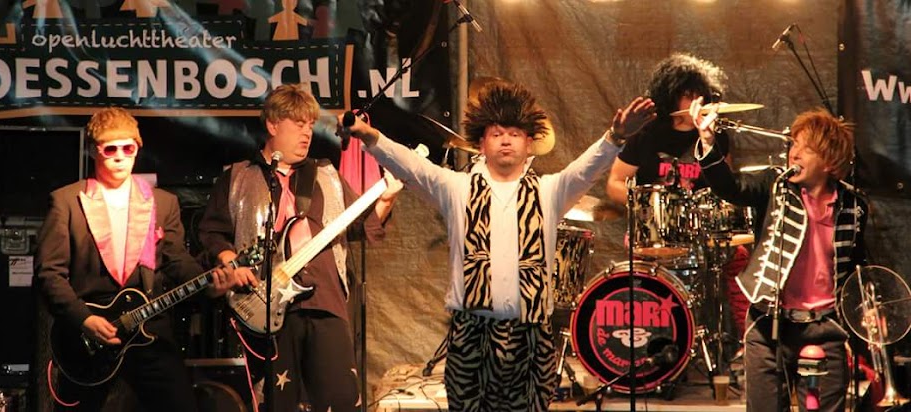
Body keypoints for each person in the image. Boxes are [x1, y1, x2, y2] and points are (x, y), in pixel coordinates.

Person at [339, 80, 655, 410]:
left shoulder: (549, 191)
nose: (506, 140)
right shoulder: (456, 188)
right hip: (471, 335)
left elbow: (585, 170)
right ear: (481, 143)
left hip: (530, 336)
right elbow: (411, 165)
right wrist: (368, 134)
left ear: (529, 144)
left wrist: (616, 137)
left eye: (515, 134)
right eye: (497, 133)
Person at [198, 83, 401, 412]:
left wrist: (387, 199)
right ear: (273, 125)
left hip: (325, 301)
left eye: (310, 124)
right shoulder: (237, 178)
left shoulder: (327, 175)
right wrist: (230, 260)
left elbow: (361, 226)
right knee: (276, 401)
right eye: (298, 124)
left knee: (341, 400)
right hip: (265, 305)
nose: (307, 133)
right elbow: (211, 233)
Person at [36, 107, 242, 411]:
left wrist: (210, 285)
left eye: (128, 148)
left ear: (137, 149)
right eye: (110, 149)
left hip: (149, 327)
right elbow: (49, 273)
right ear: (93, 150)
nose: (120, 156)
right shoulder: (67, 201)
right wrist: (84, 319)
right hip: (89, 329)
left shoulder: (162, 202)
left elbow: (177, 261)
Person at [691, 104, 866, 412]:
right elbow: (730, 187)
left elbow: (856, 268)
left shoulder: (853, 204)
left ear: (829, 161)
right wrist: (707, 142)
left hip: (827, 327)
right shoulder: (774, 186)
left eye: (804, 148)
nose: (793, 154)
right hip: (768, 324)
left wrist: (864, 320)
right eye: (793, 144)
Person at [605, 53, 753, 339]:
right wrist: (650, 205)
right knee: (643, 273)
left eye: (700, 93)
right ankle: (651, 338)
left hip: (700, 229)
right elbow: (614, 183)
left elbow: (726, 188)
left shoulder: (716, 136)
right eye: (688, 94)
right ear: (670, 96)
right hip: (652, 230)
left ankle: (747, 342)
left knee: (739, 259)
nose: (696, 100)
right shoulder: (646, 134)